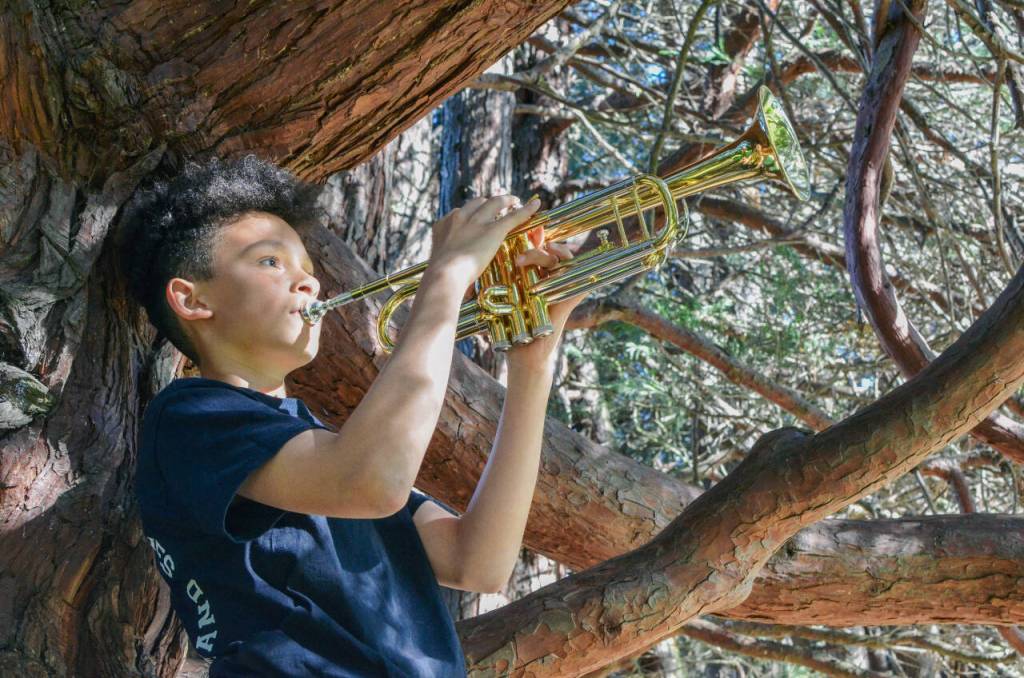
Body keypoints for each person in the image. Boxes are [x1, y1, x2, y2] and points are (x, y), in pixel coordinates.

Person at [116, 153, 584, 677]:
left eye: (308, 271)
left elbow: (477, 561)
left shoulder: (322, 449)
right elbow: (372, 481)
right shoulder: (190, 416)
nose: (308, 283)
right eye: (271, 261)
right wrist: (447, 276)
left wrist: (533, 362)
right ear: (191, 298)